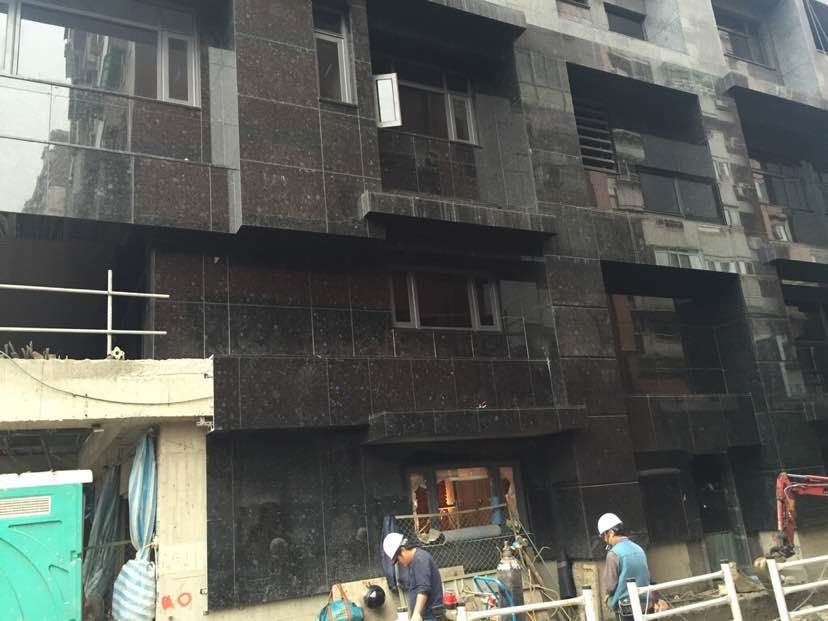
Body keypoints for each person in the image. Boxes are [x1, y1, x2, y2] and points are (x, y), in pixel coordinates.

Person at [598, 512, 666, 620]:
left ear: (610, 533)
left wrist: (608, 597)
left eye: (603, 536)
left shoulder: (613, 554)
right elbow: (648, 577)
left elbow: (610, 586)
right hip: (647, 604)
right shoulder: (638, 549)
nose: (604, 540)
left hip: (627, 609)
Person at [383, 532, 446, 621]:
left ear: (403, 550)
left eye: (397, 559)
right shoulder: (414, 562)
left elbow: (423, 588)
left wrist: (416, 613)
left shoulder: (420, 559)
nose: (399, 563)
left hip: (430, 616)